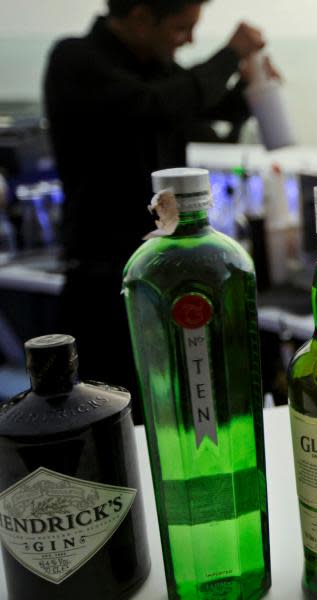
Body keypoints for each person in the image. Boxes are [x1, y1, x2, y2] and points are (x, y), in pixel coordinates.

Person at [43, 0, 274, 420]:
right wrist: (228, 54)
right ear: (140, 17)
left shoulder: (157, 70)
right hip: (102, 284)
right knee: (109, 422)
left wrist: (249, 89)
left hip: (167, 275)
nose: (188, 40)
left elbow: (197, 112)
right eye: (180, 29)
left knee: (173, 419)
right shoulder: (76, 61)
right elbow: (155, 104)